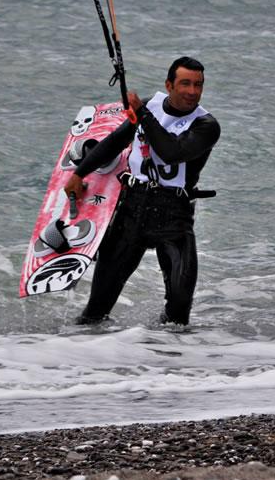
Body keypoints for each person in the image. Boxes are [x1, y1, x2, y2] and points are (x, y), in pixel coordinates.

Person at [64, 56, 220, 326]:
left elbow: (172, 153)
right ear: (169, 85)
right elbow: (115, 142)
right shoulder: (150, 105)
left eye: (198, 85)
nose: (192, 92)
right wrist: (79, 174)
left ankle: (163, 360)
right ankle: (79, 358)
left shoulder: (206, 126)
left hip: (174, 216)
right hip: (131, 211)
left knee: (178, 315)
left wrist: (143, 115)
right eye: (185, 83)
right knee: (96, 310)